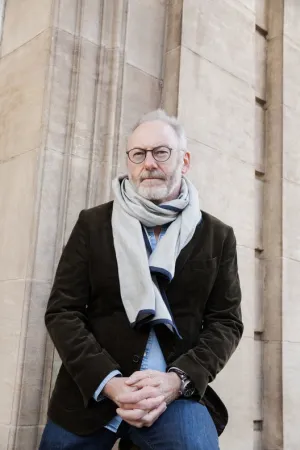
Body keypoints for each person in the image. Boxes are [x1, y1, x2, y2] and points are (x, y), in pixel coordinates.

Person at [39, 109, 243, 450]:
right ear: (129, 161)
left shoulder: (217, 236)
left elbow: (226, 322)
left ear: (185, 160)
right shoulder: (93, 224)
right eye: (138, 154)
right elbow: (63, 311)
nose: (148, 163)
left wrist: (176, 381)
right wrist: (108, 382)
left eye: (161, 152)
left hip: (173, 396)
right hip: (93, 391)